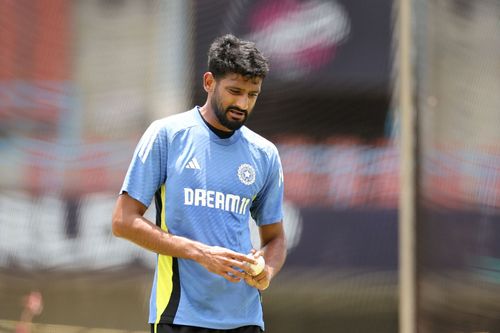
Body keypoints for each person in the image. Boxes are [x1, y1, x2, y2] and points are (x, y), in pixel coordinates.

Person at [112, 34, 286, 333]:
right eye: (234, 91)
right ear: (209, 82)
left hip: (245, 320)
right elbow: (123, 221)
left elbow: (275, 239)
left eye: (252, 94)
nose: (243, 103)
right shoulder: (167, 135)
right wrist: (200, 253)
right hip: (179, 316)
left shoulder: (264, 154)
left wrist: (266, 270)